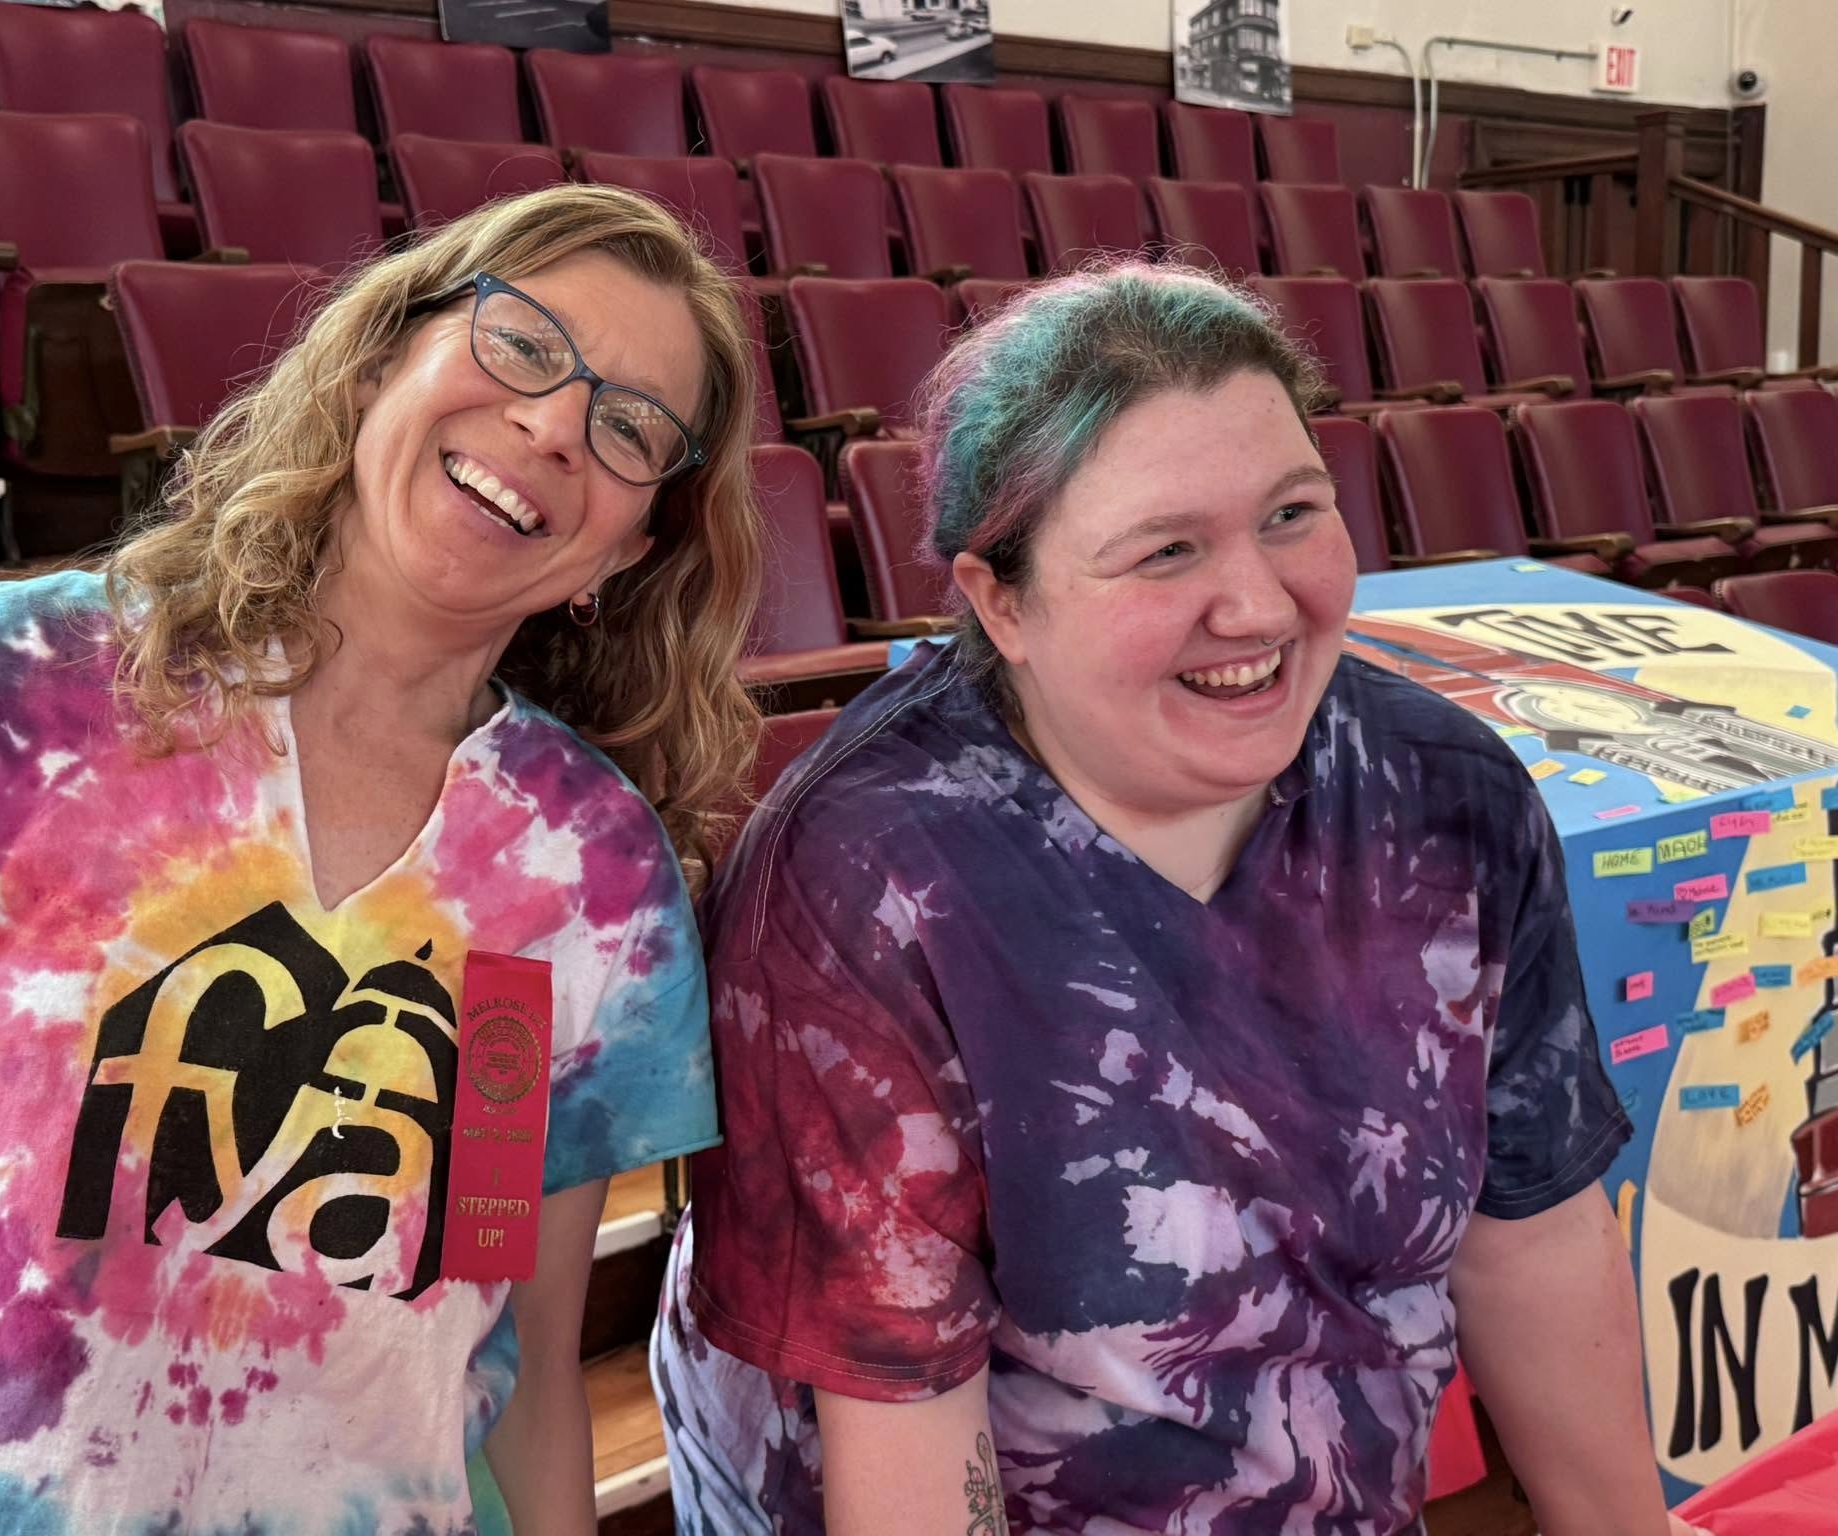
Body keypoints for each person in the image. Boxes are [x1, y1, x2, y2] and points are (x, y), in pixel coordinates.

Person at [652, 263, 1702, 1535]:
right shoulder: (867, 880)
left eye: (1291, 514)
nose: (1257, 605)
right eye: (1165, 551)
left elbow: (1526, 1230)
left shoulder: (1444, 797)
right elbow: (902, 1425)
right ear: (1000, 601)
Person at [0, 184, 759, 1535]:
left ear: (631, 544)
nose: (552, 427)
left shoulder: (587, 875)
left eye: (630, 428)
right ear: (379, 363)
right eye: (522, 345)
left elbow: (517, 1360)